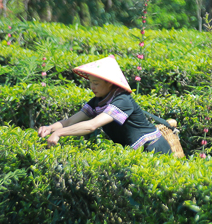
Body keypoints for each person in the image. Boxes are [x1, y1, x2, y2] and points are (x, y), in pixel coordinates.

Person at [38, 55, 174, 154]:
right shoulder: (98, 100)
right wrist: (50, 128)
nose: (92, 87)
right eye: (90, 82)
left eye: (96, 83)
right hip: (137, 151)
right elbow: (70, 121)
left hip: (153, 149)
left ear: (109, 82)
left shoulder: (123, 100)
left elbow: (92, 125)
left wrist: (60, 133)